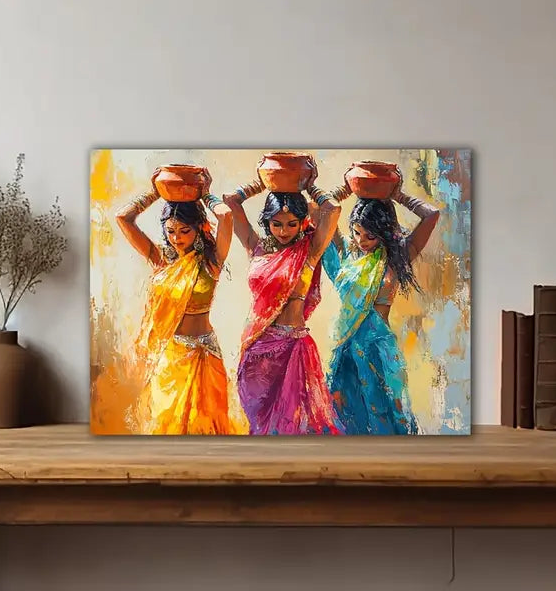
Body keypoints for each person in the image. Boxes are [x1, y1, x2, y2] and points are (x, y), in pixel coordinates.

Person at [223, 157, 343, 435]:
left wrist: (309, 186)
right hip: (258, 350)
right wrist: (262, 183)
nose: (284, 231)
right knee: (260, 424)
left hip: (293, 349)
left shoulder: (310, 250)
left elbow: (333, 209)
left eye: (291, 224)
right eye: (276, 224)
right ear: (267, 222)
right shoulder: (256, 247)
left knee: (293, 426)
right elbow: (230, 202)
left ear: (302, 223)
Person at [115, 168, 238, 434]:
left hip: (205, 355)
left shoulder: (211, 263)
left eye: (184, 230)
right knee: (168, 425)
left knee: (208, 427)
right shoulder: (160, 261)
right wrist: (155, 192)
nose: (177, 238)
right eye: (170, 231)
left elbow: (226, 216)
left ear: (200, 229)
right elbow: (123, 218)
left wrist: (205, 194)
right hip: (171, 357)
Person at [321, 170, 440, 434]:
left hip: (379, 349)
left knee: (388, 413)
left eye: (370, 236)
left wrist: (397, 195)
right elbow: (321, 211)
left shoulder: (397, 257)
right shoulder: (347, 255)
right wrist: (346, 190)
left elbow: (431, 215)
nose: (361, 241)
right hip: (347, 348)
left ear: (384, 233)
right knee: (348, 414)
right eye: (356, 233)